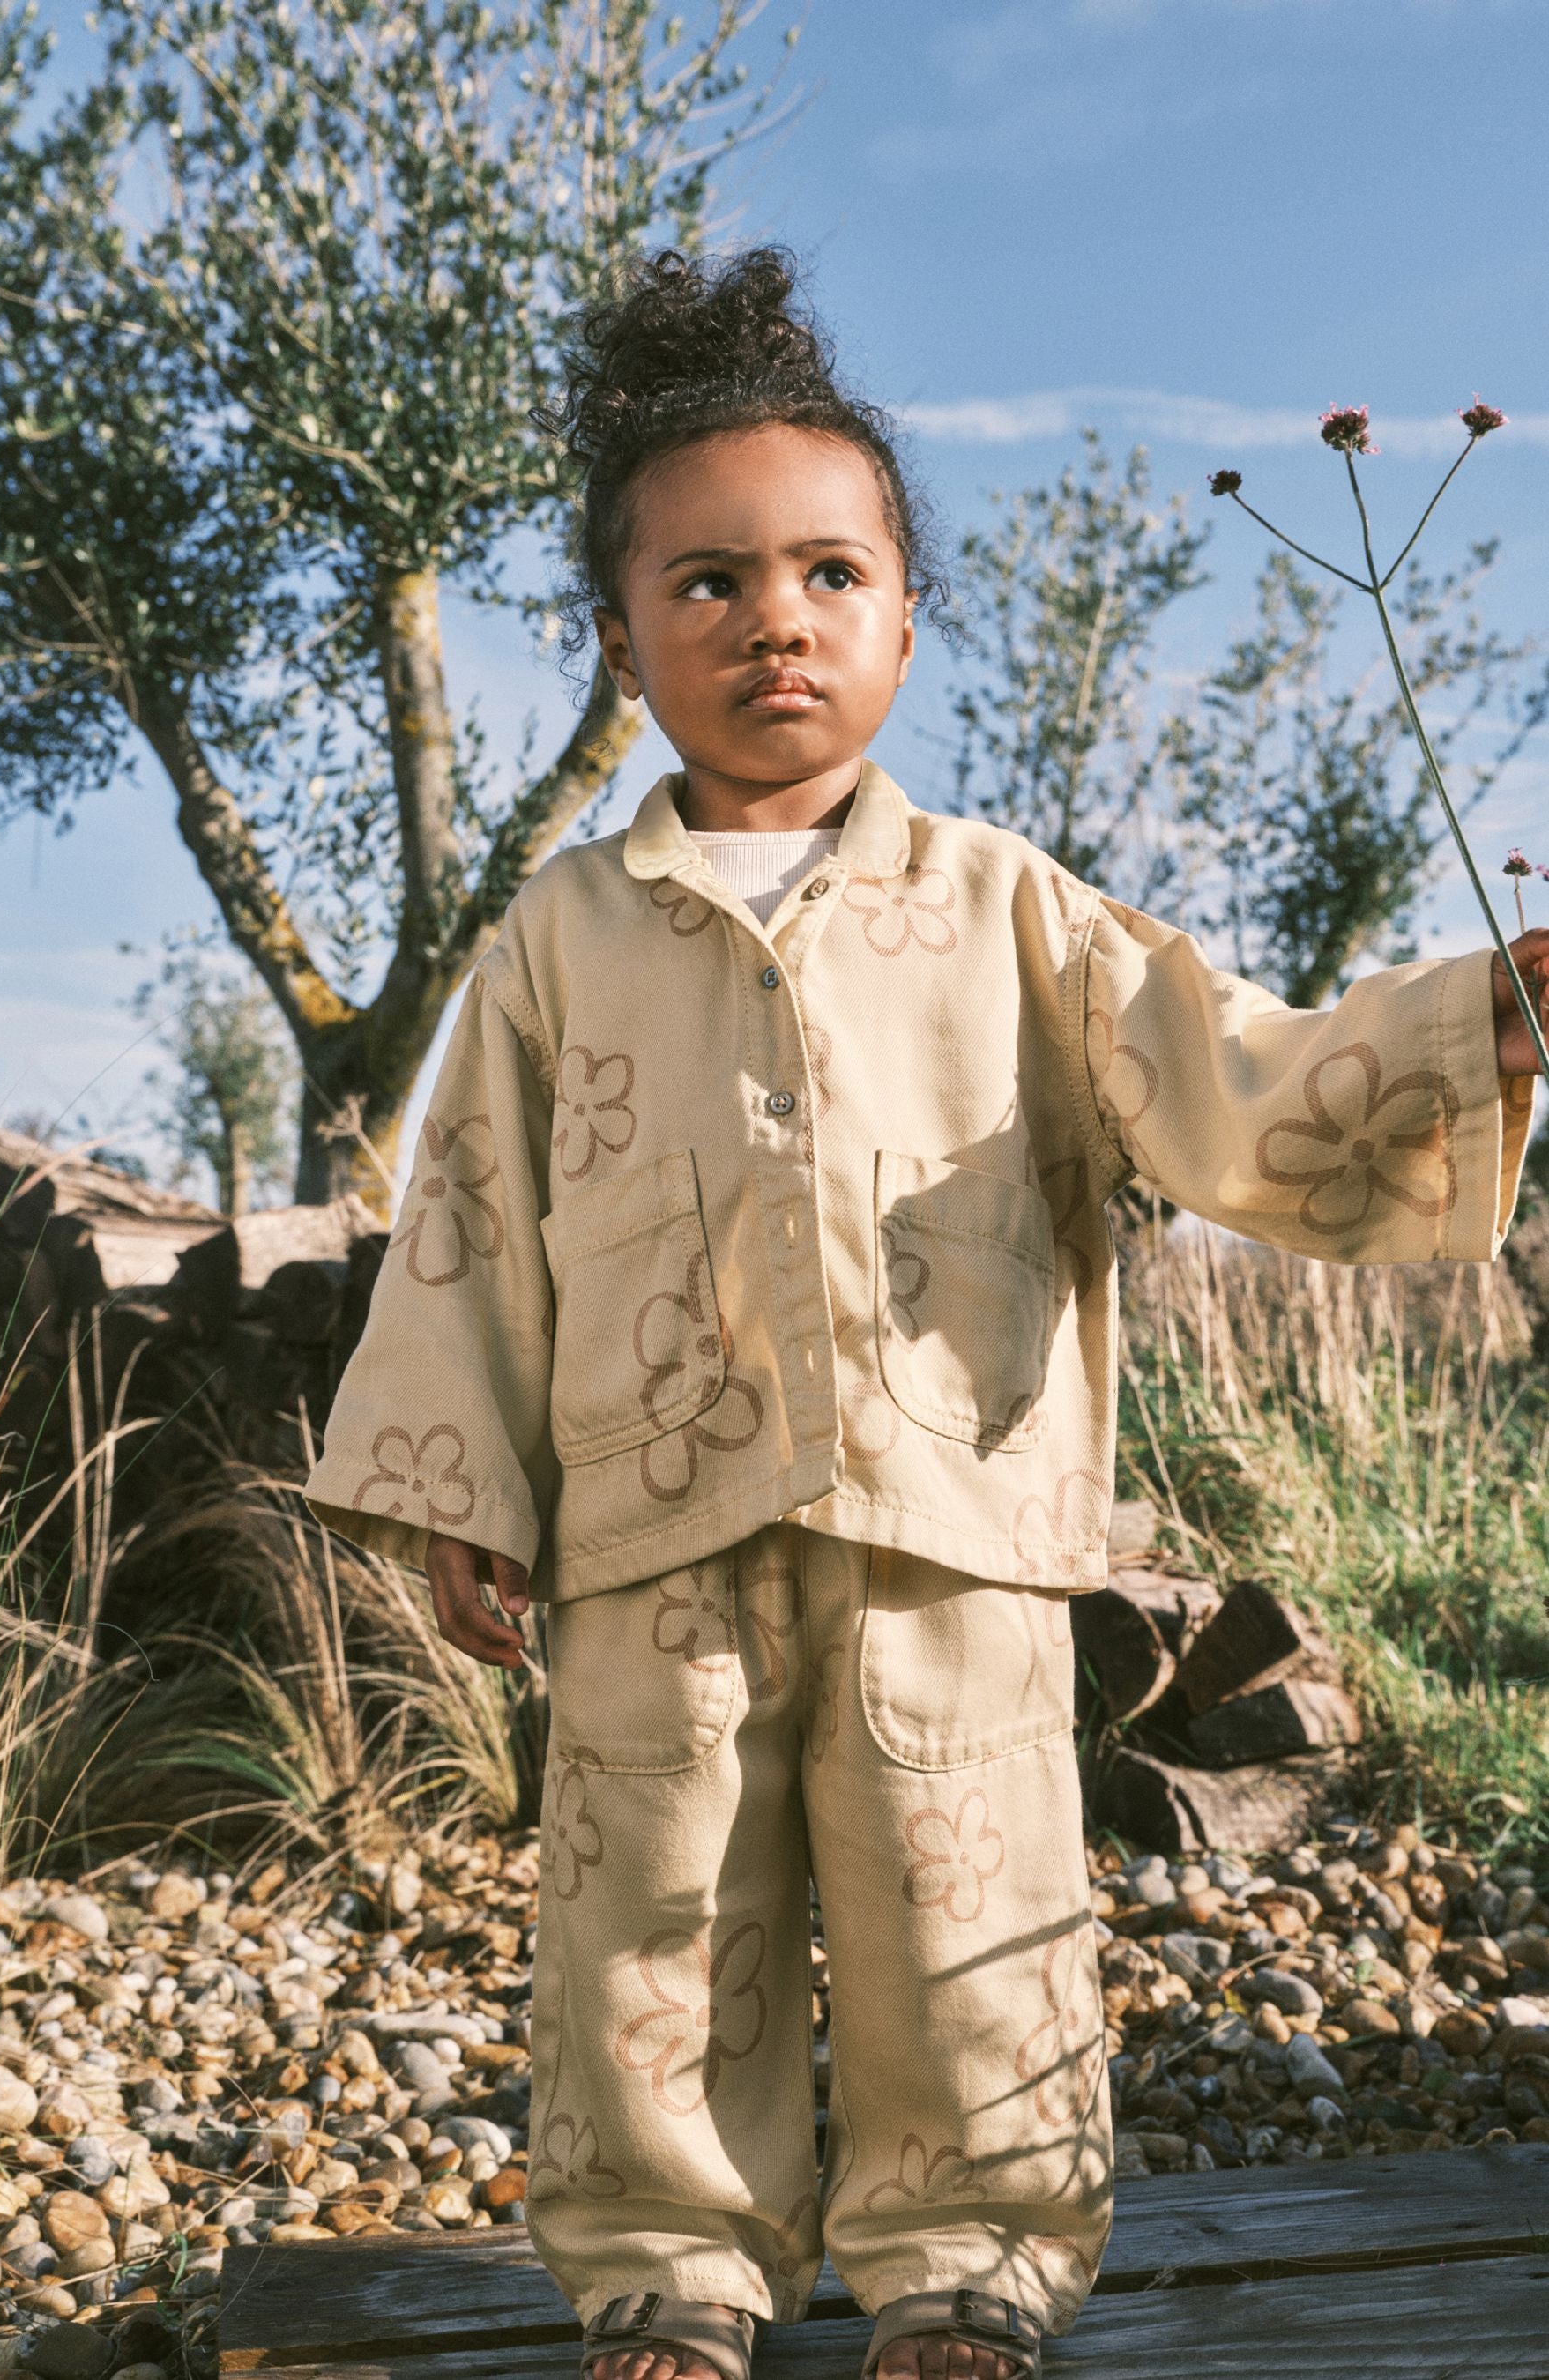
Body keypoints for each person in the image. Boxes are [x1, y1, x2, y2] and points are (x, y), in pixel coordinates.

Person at [304, 249, 1546, 2380]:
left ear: (901, 610)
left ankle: (970, 2255)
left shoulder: (1011, 909)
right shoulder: (562, 937)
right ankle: (671, 2269)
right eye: (704, 583)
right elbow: (467, 1225)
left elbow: (1234, 1081)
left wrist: (1476, 1020)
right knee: (646, 1917)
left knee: (965, 1904)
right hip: (647, 1526)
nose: (769, 617)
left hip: (946, 1515)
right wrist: (465, 1488)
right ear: (620, 640)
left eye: (825, 572)